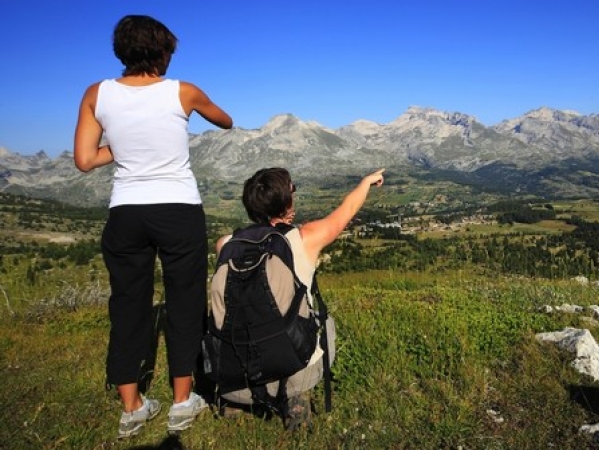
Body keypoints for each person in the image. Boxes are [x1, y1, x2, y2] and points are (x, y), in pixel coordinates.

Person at [73, 14, 233, 438]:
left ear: (121, 52)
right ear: (163, 52)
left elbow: (86, 160)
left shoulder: (97, 93)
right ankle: (182, 402)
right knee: (183, 303)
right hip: (178, 209)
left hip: (126, 212)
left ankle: (132, 408)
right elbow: (226, 120)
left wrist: (125, 145)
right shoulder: (183, 92)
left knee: (127, 305)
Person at [213, 167, 385, 426]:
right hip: (293, 374)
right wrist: (365, 183)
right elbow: (347, 210)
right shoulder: (304, 239)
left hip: (232, 378)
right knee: (324, 323)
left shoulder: (225, 245)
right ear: (286, 203)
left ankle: (236, 403)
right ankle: (294, 399)